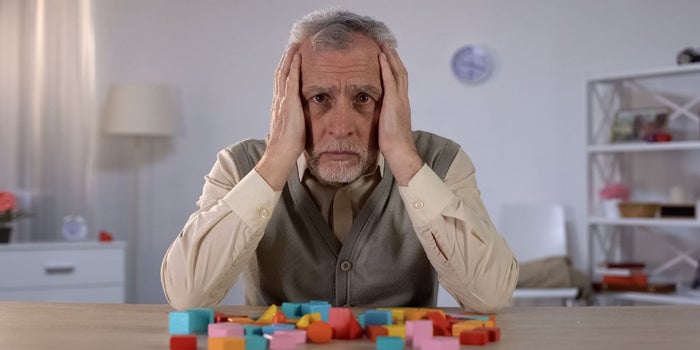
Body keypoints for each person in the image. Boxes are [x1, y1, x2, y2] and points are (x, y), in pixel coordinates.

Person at [161, 8, 518, 314]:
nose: (342, 127)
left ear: (393, 100)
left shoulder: (441, 161)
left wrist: (404, 157)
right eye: (319, 98)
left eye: (364, 97)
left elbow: (490, 296)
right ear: (288, 101)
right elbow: (187, 294)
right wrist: (277, 159)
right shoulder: (239, 166)